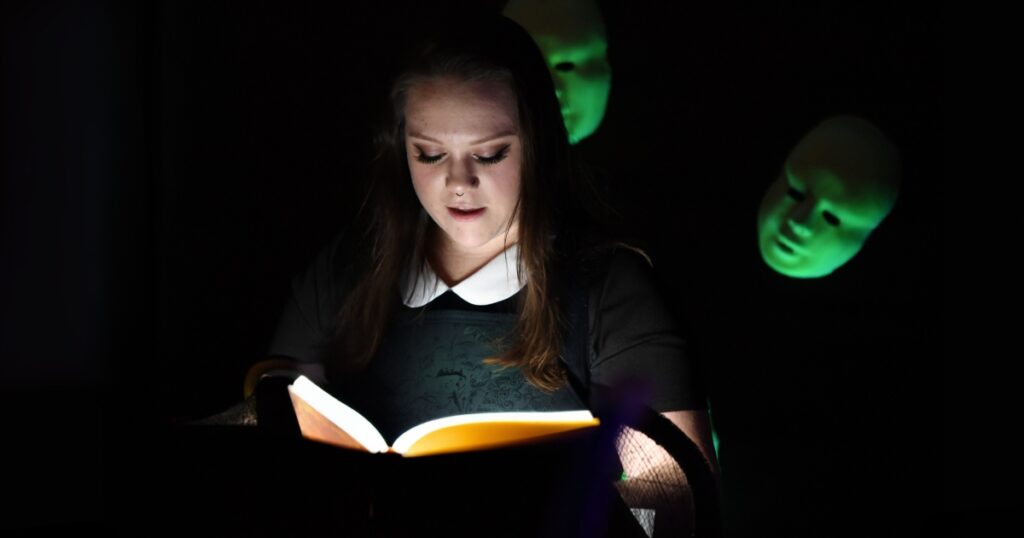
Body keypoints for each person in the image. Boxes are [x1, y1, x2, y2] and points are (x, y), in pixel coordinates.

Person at [245, 13, 718, 535]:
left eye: (490, 154)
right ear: (398, 145)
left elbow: (677, 512)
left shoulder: (610, 290)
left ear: (536, 144)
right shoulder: (343, 272)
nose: (458, 183)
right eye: (428, 154)